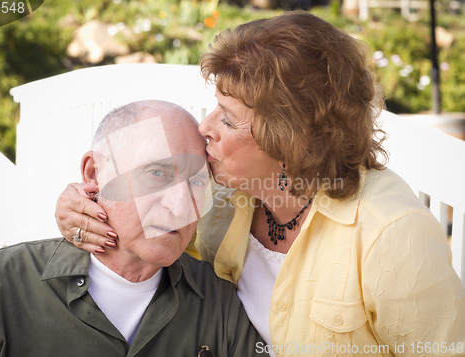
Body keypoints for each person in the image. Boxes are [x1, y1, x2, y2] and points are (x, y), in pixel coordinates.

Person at [55, 11, 465, 357]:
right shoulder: (226, 196)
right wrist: (83, 205)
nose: (204, 128)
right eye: (215, 107)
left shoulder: (391, 234)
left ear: (291, 140)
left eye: (229, 119)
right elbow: (145, 235)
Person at [0, 100, 267, 357]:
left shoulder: (219, 301)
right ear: (94, 174)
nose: (180, 207)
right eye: (157, 172)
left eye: (198, 181)